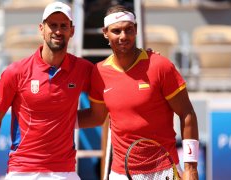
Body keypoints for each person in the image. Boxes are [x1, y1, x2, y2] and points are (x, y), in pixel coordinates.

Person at [78, 5, 199, 180]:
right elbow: (96, 117)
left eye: (128, 29)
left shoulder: (160, 66)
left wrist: (191, 168)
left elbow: (187, 113)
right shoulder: (98, 73)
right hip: (121, 173)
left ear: (135, 30)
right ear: (105, 33)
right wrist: (58, 120)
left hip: (164, 170)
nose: (123, 36)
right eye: (116, 31)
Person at [0, 2, 93, 180]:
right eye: (52, 25)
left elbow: (110, 91)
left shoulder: (83, 69)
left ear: (72, 31)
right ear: (41, 28)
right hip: (22, 171)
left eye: (63, 26)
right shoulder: (16, 71)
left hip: (65, 171)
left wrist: (142, 60)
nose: (58, 31)